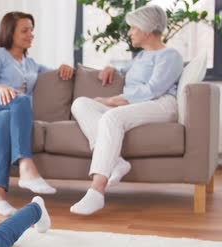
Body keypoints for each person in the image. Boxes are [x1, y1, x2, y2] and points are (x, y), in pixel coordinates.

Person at [69, 5, 184, 215]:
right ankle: (117, 162)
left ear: (147, 30)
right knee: (81, 104)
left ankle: (97, 191)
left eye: (133, 28)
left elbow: (153, 89)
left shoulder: (170, 56)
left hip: (161, 104)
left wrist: (116, 99)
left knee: (111, 118)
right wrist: (112, 68)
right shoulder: (141, 56)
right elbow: (126, 70)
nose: (129, 32)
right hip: (137, 105)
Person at [0, 11, 74, 217]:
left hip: (4, 111)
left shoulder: (31, 64)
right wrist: (2, 89)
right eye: (25, 30)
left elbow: (53, 72)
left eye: (32, 30)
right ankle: (25, 165)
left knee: (5, 120)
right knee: (20, 98)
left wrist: (65, 68)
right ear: (10, 32)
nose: (30, 34)